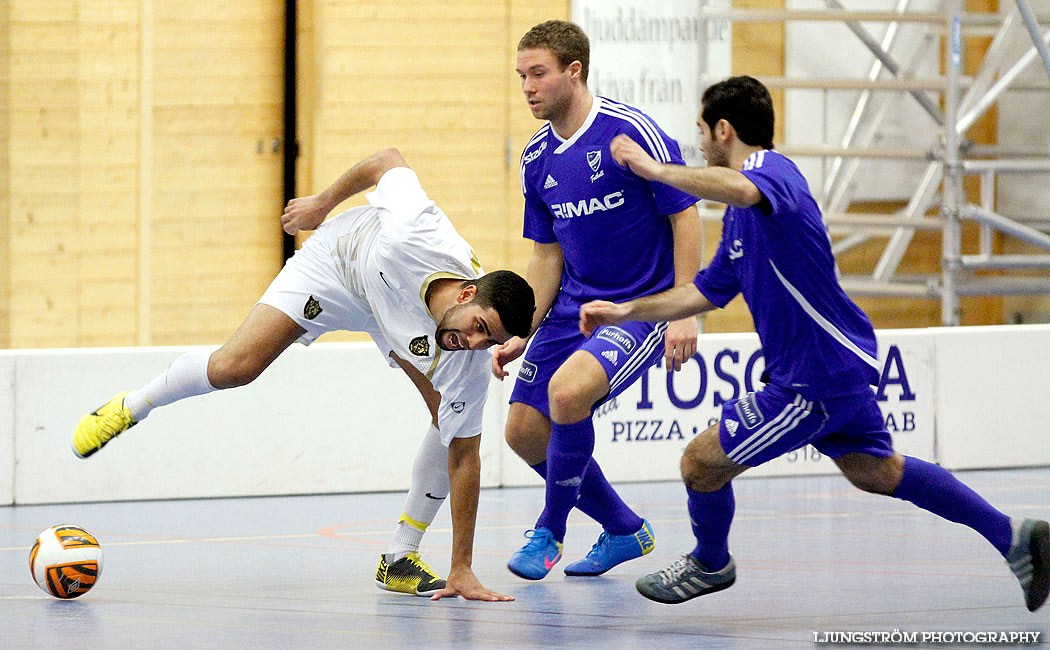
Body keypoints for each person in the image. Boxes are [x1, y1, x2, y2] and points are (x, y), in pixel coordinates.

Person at [578, 75, 1049, 612]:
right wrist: (627, 310)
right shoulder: (740, 217)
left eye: (703, 131)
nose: (700, 141)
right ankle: (1016, 537)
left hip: (813, 377)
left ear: (724, 130)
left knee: (700, 463)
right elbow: (706, 291)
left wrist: (652, 169)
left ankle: (711, 563)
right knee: (878, 471)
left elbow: (739, 186)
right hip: (831, 371)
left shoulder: (768, 172)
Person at [72, 147, 536, 602]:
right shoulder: (417, 231)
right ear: (466, 293)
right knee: (235, 368)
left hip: (398, 316)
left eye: (490, 341)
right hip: (337, 266)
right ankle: (134, 405)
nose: (475, 344)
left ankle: (399, 557)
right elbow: (388, 160)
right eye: (479, 328)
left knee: (447, 418)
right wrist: (322, 204)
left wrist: (462, 567)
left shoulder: (468, 360)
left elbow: (465, 456)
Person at [492, 20, 703, 581]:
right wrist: (521, 328)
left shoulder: (630, 132)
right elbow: (545, 258)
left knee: (567, 393)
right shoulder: (537, 158)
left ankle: (549, 533)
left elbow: (686, 215)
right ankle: (625, 529)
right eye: (522, 77)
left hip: (640, 306)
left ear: (573, 71)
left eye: (538, 74)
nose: (528, 87)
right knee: (522, 432)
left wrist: (686, 310)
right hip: (571, 307)